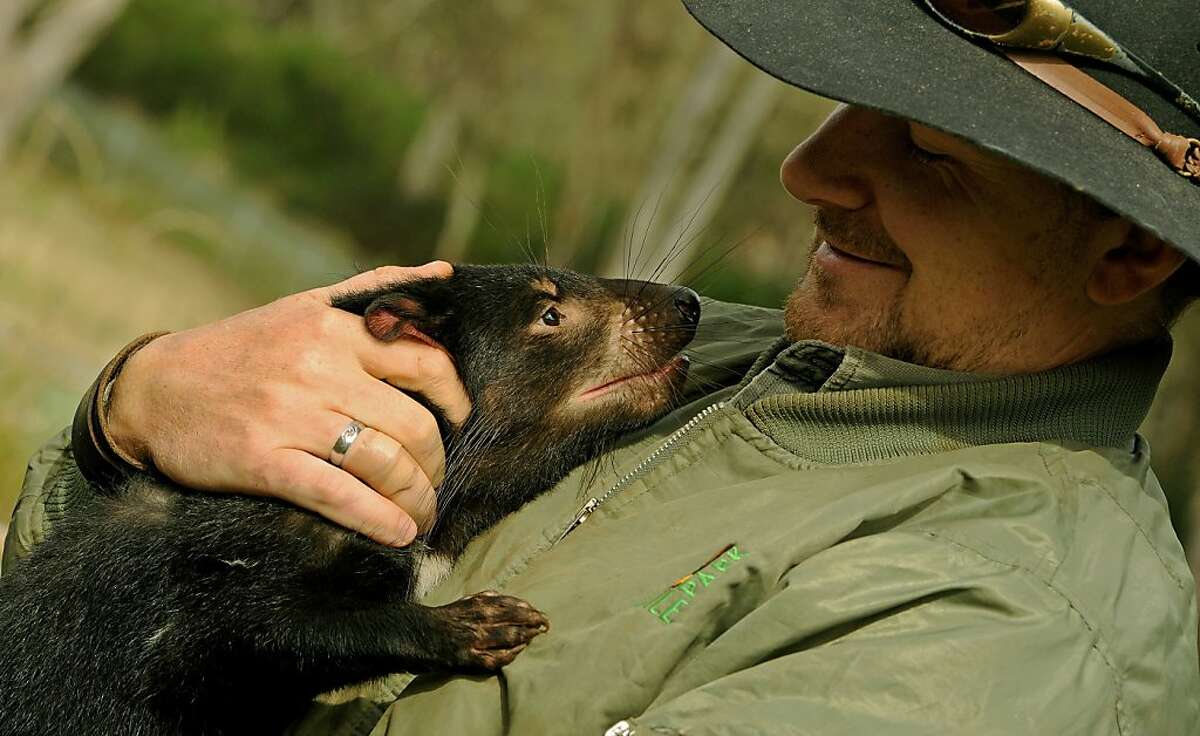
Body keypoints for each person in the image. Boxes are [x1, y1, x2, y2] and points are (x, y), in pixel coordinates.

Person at [5, 0, 1199, 733]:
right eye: (850, 106)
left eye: (932, 153)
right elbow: (130, 632)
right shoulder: (713, 366)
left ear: (1130, 247)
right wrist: (130, 419)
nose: (811, 172)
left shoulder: (998, 630)